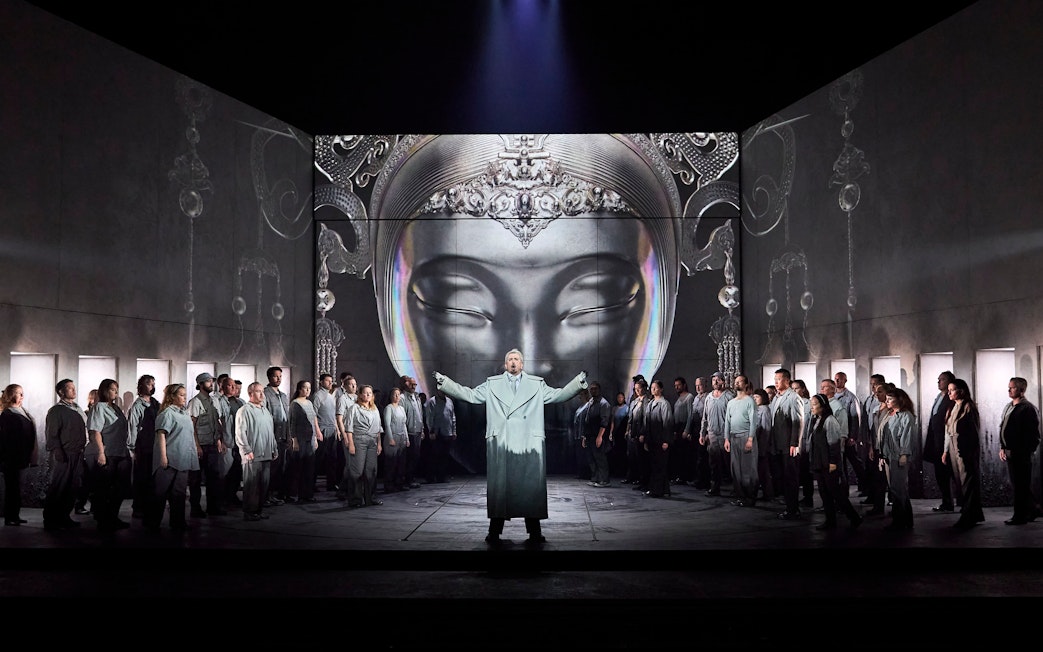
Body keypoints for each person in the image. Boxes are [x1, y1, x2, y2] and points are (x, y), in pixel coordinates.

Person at [434, 348, 587, 546]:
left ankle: (534, 532)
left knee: (529, 490)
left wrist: (578, 382)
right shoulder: (492, 384)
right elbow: (470, 395)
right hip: (503, 443)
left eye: (516, 359)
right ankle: (494, 532)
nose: (513, 362)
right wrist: (445, 383)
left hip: (528, 445)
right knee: (501, 490)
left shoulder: (536, 384)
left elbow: (558, 396)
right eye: (510, 360)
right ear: (505, 365)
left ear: (522, 364)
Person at [806, 393, 862, 530]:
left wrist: (832, 462)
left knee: (835, 492)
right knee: (824, 494)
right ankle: (830, 521)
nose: (811, 408)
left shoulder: (830, 421)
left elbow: (834, 444)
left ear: (822, 406)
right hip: (819, 463)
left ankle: (853, 517)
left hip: (828, 464)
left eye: (814, 405)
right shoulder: (816, 420)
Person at [146, 383, 198, 531]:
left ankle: (178, 522)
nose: (184, 397)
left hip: (182, 458)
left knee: (179, 493)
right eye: (181, 395)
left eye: (184, 394)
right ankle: (152, 523)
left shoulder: (184, 413)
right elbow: (161, 434)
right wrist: (163, 456)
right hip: (170, 458)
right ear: (172, 396)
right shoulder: (167, 413)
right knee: (160, 493)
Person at [85, 379, 131, 532]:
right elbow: (95, 431)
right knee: (104, 488)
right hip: (108, 453)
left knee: (120, 488)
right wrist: (100, 452)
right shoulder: (99, 407)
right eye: (112, 389)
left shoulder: (116, 408)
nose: (115, 392)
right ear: (104, 390)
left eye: (116, 389)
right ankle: (103, 519)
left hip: (121, 452)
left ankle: (113, 516)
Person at [43, 379, 87, 530]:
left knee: (72, 487)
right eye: (70, 388)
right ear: (61, 391)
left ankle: (64, 516)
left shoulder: (77, 408)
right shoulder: (57, 410)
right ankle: (50, 518)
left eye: (74, 387)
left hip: (78, 453)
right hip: (65, 453)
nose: (74, 390)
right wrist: (57, 450)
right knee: (60, 486)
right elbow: (52, 433)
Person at [945, 378, 985, 530]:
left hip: (964, 449)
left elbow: (973, 432)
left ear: (961, 391)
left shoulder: (968, 407)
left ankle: (968, 515)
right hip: (955, 447)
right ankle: (973, 513)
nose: (949, 392)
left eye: (952, 390)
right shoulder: (954, 406)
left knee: (968, 481)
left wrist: (968, 451)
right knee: (961, 482)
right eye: (948, 390)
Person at [999, 377, 1040, 525]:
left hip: (1020, 453)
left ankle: (1020, 516)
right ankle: (1033, 510)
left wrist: (1025, 451)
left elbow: (1033, 435)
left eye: (1013, 388)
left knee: (1020, 485)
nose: (1009, 390)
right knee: (1018, 484)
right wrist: (1002, 447)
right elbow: (1003, 427)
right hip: (1010, 451)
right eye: (1009, 387)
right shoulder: (1009, 406)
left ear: (1021, 390)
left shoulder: (1027, 408)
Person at [235, 382, 278, 521]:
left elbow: (270, 432)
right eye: (258, 391)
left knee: (263, 485)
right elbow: (240, 432)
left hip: (266, 453)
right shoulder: (244, 410)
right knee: (251, 485)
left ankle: (258, 510)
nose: (262, 394)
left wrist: (274, 447)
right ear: (250, 394)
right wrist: (246, 450)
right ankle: (250, 512)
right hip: (252, 455)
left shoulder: (265, 410)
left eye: (262, 391)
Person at [187, 372, 226, 517]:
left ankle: (213, 507)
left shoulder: (214, 401)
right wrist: (196, 446)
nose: (211, 384)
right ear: (200, 384)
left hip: (212, 444)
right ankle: (195, 508)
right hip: (201, 445)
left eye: (211, 381)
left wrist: (219, 441)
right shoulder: (195, 402)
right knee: (196, 479)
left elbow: (217, 423)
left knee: (214, 477)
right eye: (208, 381)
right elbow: (192, 425)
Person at [0, 384, 38, 526]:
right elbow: (5, 438)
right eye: (18, 393)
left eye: (22, 393)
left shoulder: (22, 411)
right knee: (12, 488)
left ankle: (14, 515)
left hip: (22, 456)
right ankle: (10, 517)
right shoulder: (7, 414)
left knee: (17, 487)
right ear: (11, 395)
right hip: (12, 457)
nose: (22, 396)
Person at [770, 369, 804, 520]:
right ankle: (789, 507)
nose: (776, 382)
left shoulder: (793, 397)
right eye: (775, 379)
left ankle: (793, 509)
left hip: (789, 445)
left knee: (791, 478)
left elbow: (798, 421)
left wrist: (794, 443)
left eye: (779, 379)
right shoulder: (776, 397)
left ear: (787, 381)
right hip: (777, 444)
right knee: (783, 477)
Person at [880, 387, 915, 531]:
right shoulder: (889, 414)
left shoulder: (906, 416)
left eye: (890, 399)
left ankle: (900, 521)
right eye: (886, 398)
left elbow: (907, 436)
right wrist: (882, 455)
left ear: (899, 399)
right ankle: (905, 520)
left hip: (898, 456)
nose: (887, 401)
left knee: (898, 489)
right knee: (895, 489)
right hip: (888, 456)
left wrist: (904, 454)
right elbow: (883, 435)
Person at [922, 371, 956, 512]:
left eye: (942, 379)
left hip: (945, 442)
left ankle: (953, 502)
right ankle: (946, 502)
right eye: (938, 379)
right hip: (936, 442)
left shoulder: (951, 400)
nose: (939, 382)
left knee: (950, 473)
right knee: (940, 474)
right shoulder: (938, 397)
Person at [344, 385, 383, 508]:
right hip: (359, 440)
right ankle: (355, 499)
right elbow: (349, 428)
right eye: (365, 393)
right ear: (360, 394)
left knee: (371, 471)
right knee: (357, 471)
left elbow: (378, 429)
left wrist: (379, 444)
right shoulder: (354, 408)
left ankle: (370, 498)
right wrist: (351, 444)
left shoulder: (374, 409)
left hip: (372, 441)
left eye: (370, 393)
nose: (367, 395)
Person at [126, 374, 160, 519]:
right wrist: (132, 448)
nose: (152, 386)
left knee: (153, 477)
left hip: (155, 445)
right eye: (149, 383)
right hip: (143, 446)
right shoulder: (138, 405)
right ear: (141, 386)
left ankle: (150, 505)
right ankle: (138, 507)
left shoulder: (155, 403)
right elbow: (133, 427)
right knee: (142, 477)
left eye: (153, 383)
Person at [286, 380, 323, 503]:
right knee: (299, 468)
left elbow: (314, 419)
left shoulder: (309, 403)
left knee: (309, 468)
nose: (307, 390)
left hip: (310, 438)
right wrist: (294, 440)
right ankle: (295, 494)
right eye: (305, 388)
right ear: (299, 389)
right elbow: (292, 423)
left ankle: (307, 494)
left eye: (309, 388)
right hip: (300, 439)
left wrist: (317, 435)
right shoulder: (295, 404)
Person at [723, 375, 757, 507]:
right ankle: (741, 496)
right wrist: (726, 439)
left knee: (748, 469)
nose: (737, 383)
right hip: (734, 437)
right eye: (735, 381)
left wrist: (750, 438)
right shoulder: (731, 402)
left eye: (740, 381)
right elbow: (727, 421)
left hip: (745, 436)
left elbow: (753, 421)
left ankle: (750, 497)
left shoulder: (749, 400)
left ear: (746, 384)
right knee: (736, 469)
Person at [700, 372, 734, 497]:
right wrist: (702, 433)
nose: (715, 382)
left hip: (725, 435)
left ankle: (736, 488)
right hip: (713, 434)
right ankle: (715, 487)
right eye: (713, 380)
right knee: (714, 463)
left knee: (729, 462)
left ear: (723, 381)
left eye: (717, 380)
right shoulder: (709, 397)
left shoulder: (729, 397)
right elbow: (705, 416)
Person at [262, 366, 289, 506]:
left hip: (283, 436)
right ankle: (266, 496)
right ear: (269, 377)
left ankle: (274, 494)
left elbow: (287, 417)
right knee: (270, 469)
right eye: (275, 376)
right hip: (272, 436)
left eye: (280, 376)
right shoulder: (265, 394)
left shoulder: (283, 395)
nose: (278, 379)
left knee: (280, 468)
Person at [644, 379, 674, 498]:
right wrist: (646, 439)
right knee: (655, 465)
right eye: (652, 388)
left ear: (661, 389)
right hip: (652, 440)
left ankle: (656, 490)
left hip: (660, 440)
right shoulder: (650, 403)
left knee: (659, 465)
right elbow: (647, 423)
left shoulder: (664, 403)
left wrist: (666, 440)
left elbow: (667, 422)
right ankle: (665, 490)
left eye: (655, 388)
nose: (653, 390)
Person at [312, 373, 340, 492]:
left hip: (332, 429)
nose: (330, 383)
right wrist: (317, 431)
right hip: (322, 429)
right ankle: (311, 484)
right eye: (327, 381)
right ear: (321, 382)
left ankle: (331, 484)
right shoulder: (318, 396)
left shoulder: (331, 396)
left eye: (331, 381)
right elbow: (313, 414)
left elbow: (334, 415)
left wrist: (337, 429)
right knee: (318, 459)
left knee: (332, 458)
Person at [582, 382, 612, 488]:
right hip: (590, 435)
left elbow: (605, 421)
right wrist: (585, 436)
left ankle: (604, 479)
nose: (593, 391)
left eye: (595, 389)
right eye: (591, 389)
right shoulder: (591, 402)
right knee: (591, 458)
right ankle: (595, 478)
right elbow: (587, 419)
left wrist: (600, 436)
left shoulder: (604, 404)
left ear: (599, 390)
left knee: (600, 458)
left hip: (598, 435)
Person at [424, 389, 457, 483]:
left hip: (447, 432)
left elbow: (452, 417)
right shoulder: (432, 402)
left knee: (444, 456)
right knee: (434, 456)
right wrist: (431, 431)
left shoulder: (449, 401)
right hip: (437, 433)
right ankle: (431, 477)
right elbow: (429, 417)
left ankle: (441, 476)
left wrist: (454, 431)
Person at [625, 378, 650, 491]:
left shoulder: (646, 401)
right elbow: (630, 418)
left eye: (639, 389)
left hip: (640, 433)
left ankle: (645, 482)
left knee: (643, 459)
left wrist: (643, 433)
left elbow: (646, 418)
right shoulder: (635, 402)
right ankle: (640, 480)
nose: (637, 391)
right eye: (635, 389)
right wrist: (628, 430)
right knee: (635, 458)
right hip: (633, 433)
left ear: (644, 389)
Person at [399, 375, 425, 489]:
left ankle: (410, 479)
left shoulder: (416, 397)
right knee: (407, 458)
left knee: (415, 457)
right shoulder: (402, 398)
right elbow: (402, 417)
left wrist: (422, 429)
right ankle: (405, 481)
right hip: (409, 432)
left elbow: (420, 414)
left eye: (415, 384)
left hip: (418, 432)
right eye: (411, 384)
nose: (414, 386)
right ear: (405, 384)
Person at [382, 387, 408, 492]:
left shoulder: (401, 408)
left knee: (400, 462)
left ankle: (399, 483)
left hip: (401, 437)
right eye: (395, 394)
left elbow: (404, 424)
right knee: (391, 463)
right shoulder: (389, 408)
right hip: (392, 436)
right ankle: (389, 485)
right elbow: (387, 424)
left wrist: (406, 438)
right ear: (391, 396)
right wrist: (390, 438)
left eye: (398, 394)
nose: (397, 397)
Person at [670, 377, 694, 486]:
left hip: (684, 427)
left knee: (685, 454)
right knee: (678, 454)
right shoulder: (678, 399)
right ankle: (679, 476)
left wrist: (687, 430)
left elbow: (690, 415)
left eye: (678, 385)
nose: (677, 387)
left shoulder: (689, 397)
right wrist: (674, 430)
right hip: (677, 428)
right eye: (675, 386)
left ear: (684, 385)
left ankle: (685, 476)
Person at [752, 388, 773, 502]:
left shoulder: (764, 410)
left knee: (763, 471)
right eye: (754, 397)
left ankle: (767, 494)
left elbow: (766, 429)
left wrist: (762, 448)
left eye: (757, 397)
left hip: (761, 446)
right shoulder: (757, 409)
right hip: (757, 445)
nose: (755, 399)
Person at [608, 391, 629, 479]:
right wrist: (611, 433)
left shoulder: (627, 408)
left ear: (624, 398)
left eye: (621, 397)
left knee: (623, 452)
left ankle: (623, 471)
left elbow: (628, 422)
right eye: (618, 398)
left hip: (623, 432)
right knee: (615, 451)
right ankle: (616, 471)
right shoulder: (614, 409)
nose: (620, 399)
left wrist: (627, 431)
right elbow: (612, 421)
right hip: (616, 432)